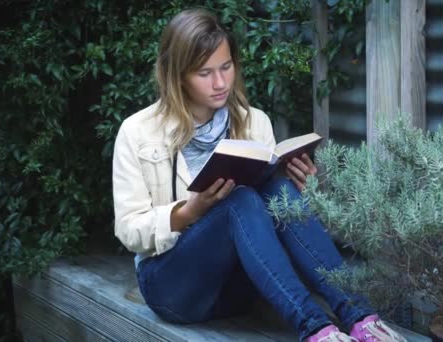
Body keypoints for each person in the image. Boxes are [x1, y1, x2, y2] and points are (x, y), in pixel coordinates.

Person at [112, 8, 406, 342]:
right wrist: (189, 212)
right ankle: (317, 330)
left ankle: (359, 316)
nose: (221, 82)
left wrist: (303, 192)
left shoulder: (254, 122)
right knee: (238, 201)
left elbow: (271, 226)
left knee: (275, 186)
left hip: (242, 287)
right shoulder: (137, 132)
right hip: (174, 287)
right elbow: (128, 229)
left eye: (226, 67)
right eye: (205, 73)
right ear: (178, 75)